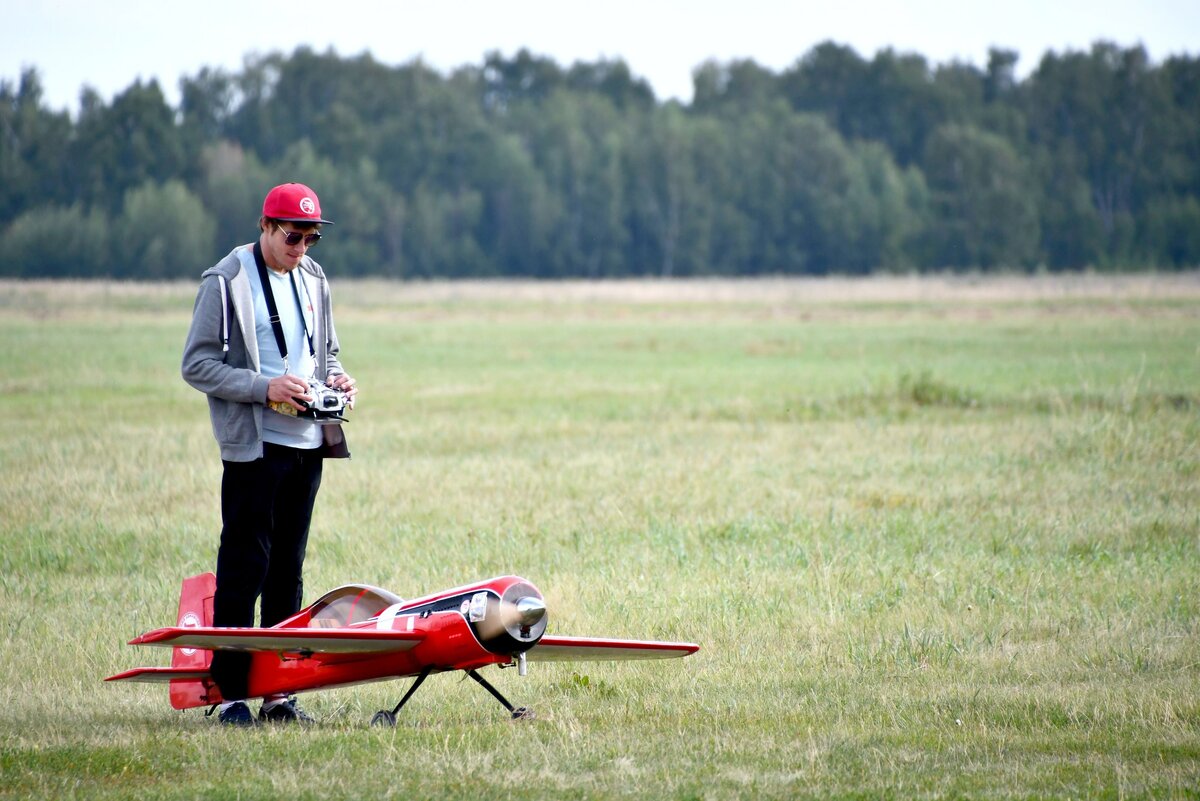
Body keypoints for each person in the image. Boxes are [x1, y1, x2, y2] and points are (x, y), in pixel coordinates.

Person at [181, 183, 358, 726]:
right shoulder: (226, 280)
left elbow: (324, 348)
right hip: (255, 447)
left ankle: (279, 694)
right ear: (264, 225)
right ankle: (230, 693)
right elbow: (197, 364)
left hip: (309, 443)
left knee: (288, 570)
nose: (301, 248)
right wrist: (265, 387)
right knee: (244, 568)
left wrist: (336, 377)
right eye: (292, 236)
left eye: (311, 238)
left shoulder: (314, 277)